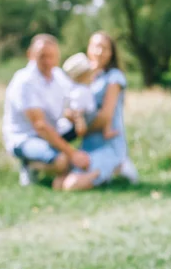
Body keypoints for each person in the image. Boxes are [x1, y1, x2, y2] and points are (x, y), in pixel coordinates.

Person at [2, 34, 90, 186]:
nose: (48, 61)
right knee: (63, 161)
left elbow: (68, 104)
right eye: (42, 56)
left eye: (52, 56)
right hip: (25, 138)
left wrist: (76, 118)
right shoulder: (24, 81)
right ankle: (30, 165)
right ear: (30, 54)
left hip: (50, 132)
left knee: (78, 131)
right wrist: (72, 154)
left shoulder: (58, 76)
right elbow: (40, 126)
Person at [56, 32, 138, 191]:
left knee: (71, 185)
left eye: (105, 48)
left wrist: (82, 128)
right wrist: (72, 117)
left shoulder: (114, 77)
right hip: (88, 143)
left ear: (111, 53)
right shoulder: (82, 76)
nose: (99, 52)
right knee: (58, 183)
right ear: (88, 49)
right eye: (96, 47)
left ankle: (119, 165)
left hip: (108, 142)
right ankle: (108, 173)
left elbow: (106, 116)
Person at [61, 52, 118, 140]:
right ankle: (107, 131)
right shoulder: (81, 91)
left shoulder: (81, 88)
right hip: (79, 123)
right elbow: (76, 109)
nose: (93, 77)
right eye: (91, 74)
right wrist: (80, 121)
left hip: (85, 117)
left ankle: (107, 130)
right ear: (83, 77)